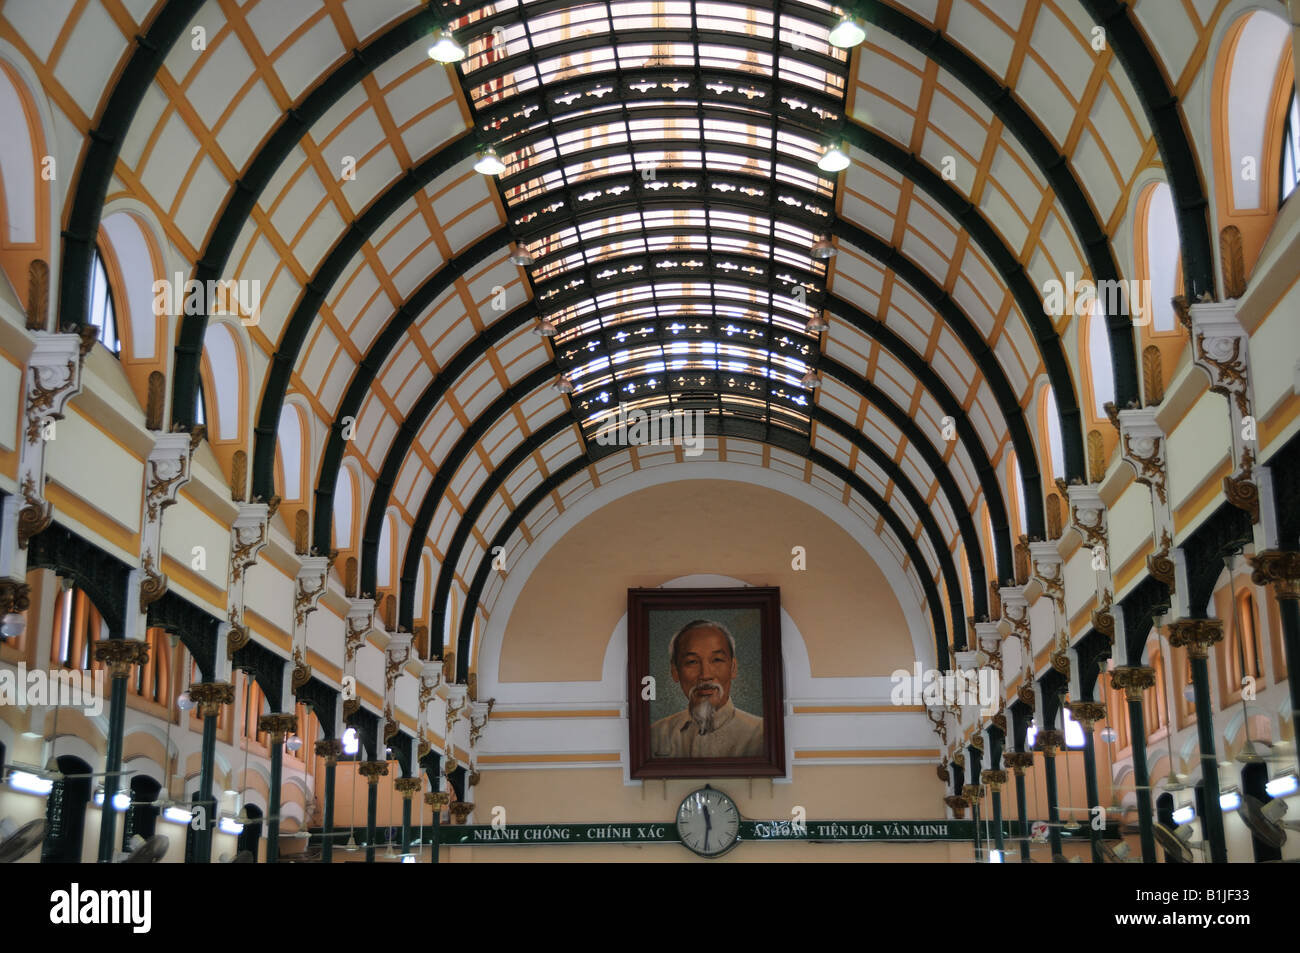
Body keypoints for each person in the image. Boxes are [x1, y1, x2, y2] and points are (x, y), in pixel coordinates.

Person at [650, 619, 764, 758]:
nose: (705, 675)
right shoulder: (656, 735)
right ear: (675, 671)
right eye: (692, 662)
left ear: (733, 668)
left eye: (717, 660)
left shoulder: (760, 734)